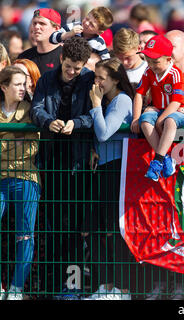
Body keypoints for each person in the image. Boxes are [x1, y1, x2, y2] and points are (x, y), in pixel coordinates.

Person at [30, 37, 94, 299]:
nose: (71, 73)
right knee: (53, 228)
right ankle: (53, 285)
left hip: (79, 162)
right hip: (52, 160)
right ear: (61, 59)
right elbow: (35, 109)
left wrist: (76, 123)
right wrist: (49, 122)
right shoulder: (46, 79)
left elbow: (95, 114)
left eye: (77, 69)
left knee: (76, 229)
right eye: (68, 66)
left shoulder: (90, 79)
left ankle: (72, 286)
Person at [83, 58, 135, 300]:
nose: (97, 82)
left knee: (114, 229)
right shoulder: (106, 99)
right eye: (95, 77)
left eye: (101, 78)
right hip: (104, 167)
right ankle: (105, 285)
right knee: (96, 228)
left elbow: (104, 133)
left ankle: (122, 288)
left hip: (118, 170)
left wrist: (95, 104)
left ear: (115, 79)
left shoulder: (122, 100)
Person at [0, 66, 40, 300]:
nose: (23, 89)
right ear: (4, 87)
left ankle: (16, 289)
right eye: (18, 84)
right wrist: (15, 143)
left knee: (25, 234)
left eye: (25, 84)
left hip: (26, 177)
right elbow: (21, 147)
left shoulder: (30, 110)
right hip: (1, 177)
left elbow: (32, 147)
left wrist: (5, 143)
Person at [131, 34, 184, 182]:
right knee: (144, 121)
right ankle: (165, 159)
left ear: (168, 59)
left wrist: (161, 119)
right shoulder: (148, 72)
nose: (151, 65)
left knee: (169, 121)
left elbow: (177, 102)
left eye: (155, 61)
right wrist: (136, 118)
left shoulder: (175, 73)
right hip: (159, 110)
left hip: (179, 110)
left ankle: (157, 161)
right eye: (148, 61)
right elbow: (139, 94)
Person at [17, 8, 62, 75]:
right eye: (34, 23)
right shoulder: (24, 57)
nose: (36, 27)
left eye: (42, 23)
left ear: (56, 28)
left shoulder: (65, 55)